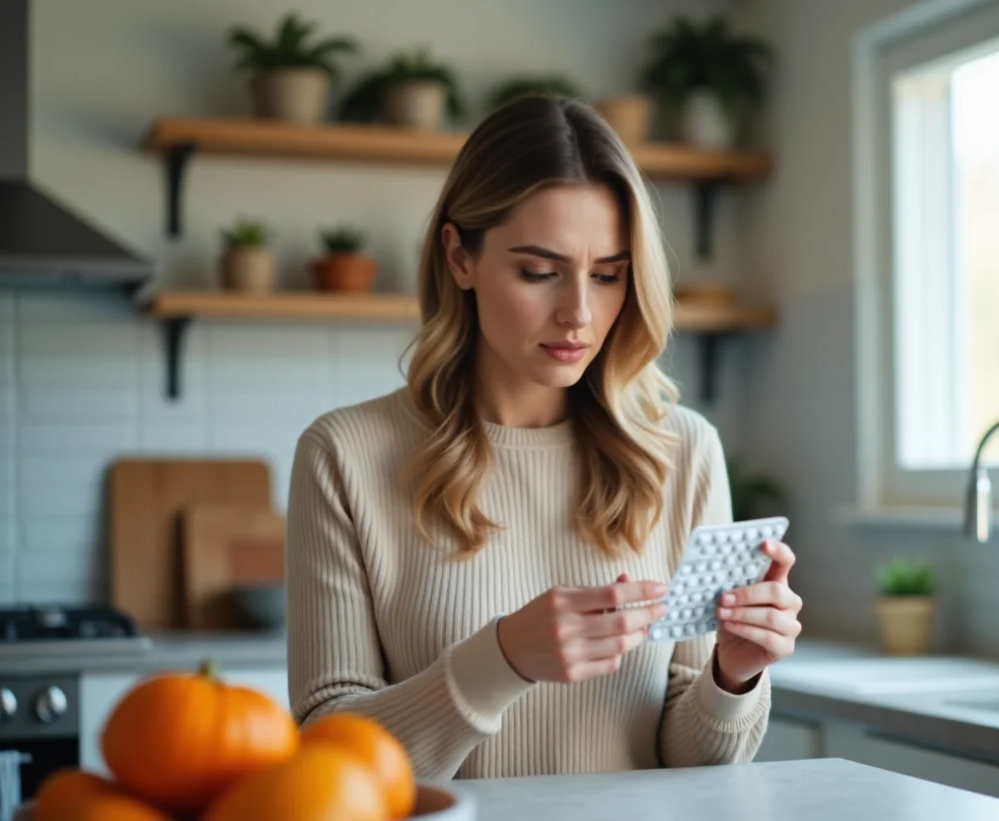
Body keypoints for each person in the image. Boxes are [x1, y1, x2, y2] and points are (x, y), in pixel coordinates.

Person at [285, 95, 802, 782]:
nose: (580, 314)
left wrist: (731, 676)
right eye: (539, 271)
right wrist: (500, 660)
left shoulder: (681, 453)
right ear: (458, 256)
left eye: (609, 274)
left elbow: (691, 761)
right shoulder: (344, 455)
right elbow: (328, 756)